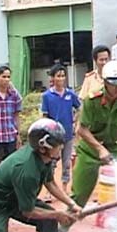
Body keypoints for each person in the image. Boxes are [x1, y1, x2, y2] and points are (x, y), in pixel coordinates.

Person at [58, 60, 117, 232]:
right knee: (79, 194)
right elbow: (82, 130)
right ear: (106, 83)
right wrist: (99, 149)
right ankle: (61, 229)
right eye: (115, 85)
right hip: (89, 149)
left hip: (114, 149)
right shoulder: (91, 101)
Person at [41, 64, 81, 194]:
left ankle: (64, 187)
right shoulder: (47, 96)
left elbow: (80, 107)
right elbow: (45, 115)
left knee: (67, 162)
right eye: (58, 76)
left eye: (63, 76)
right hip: (54, 135)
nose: (61, 78)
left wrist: (76, 120)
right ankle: (49, 189)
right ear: (53, 78)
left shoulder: (70, 93)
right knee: (51, 162)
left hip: (68, 133)